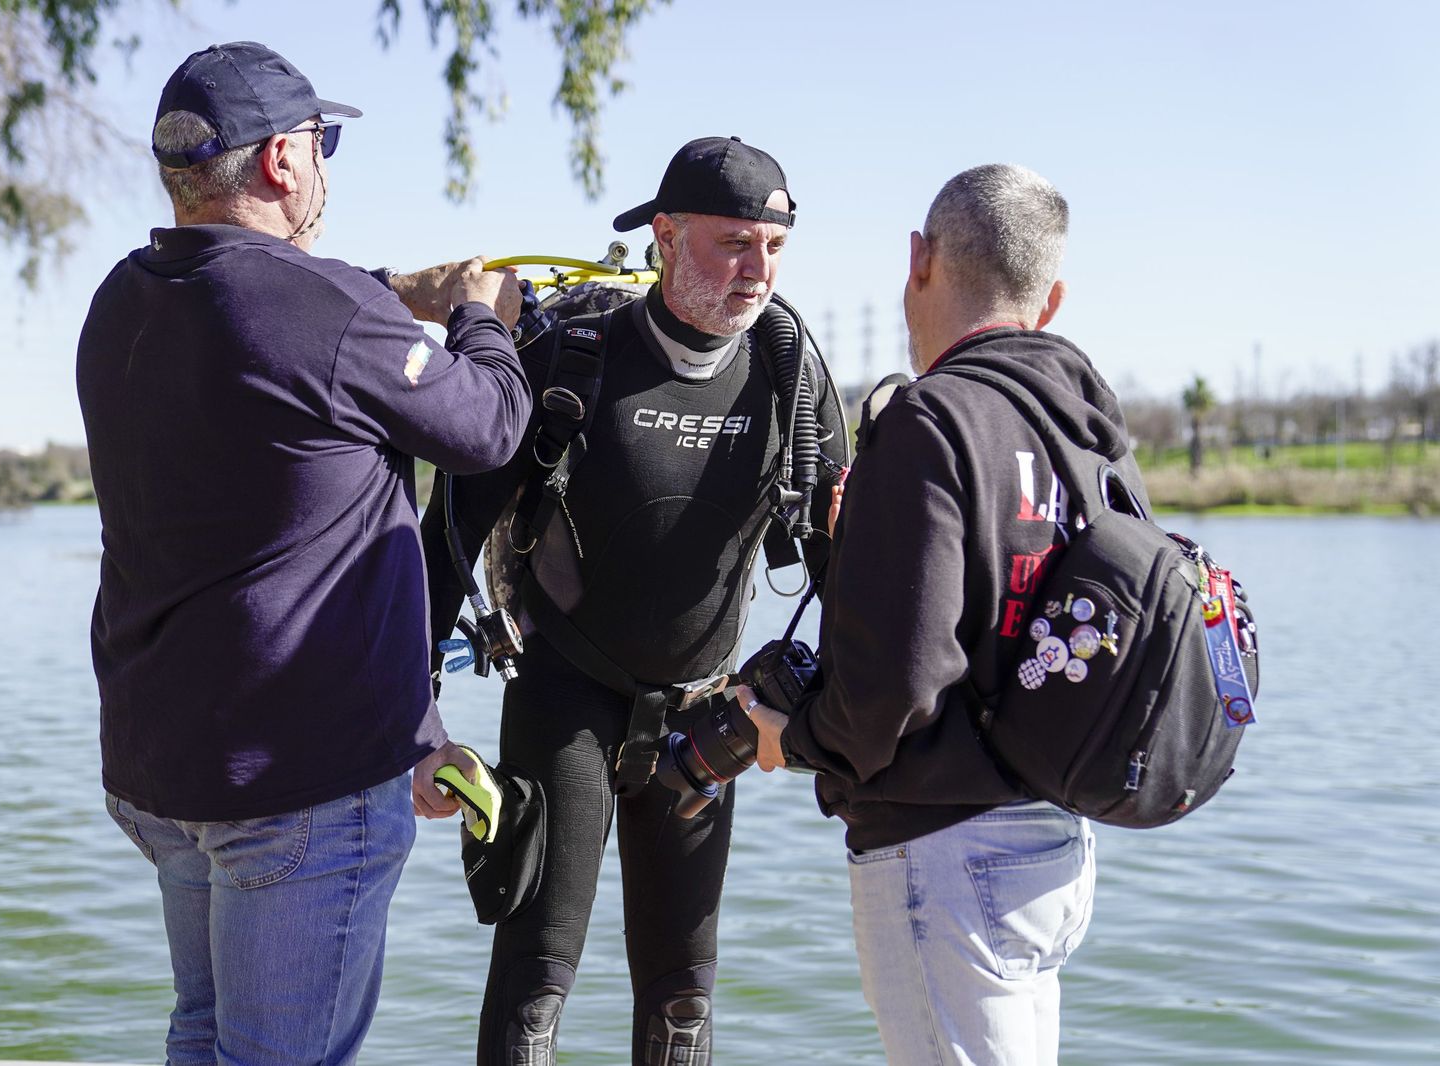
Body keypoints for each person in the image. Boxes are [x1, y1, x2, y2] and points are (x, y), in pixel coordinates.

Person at [75, 41, 528, 1065]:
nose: (324, 164)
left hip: (165, 771)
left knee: (204, 1036)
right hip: (297, 791)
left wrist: (396, 290)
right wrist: (480, 316)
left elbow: (273, 307)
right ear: (283, 159)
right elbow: (490, 425)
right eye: (322, 143)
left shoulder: (122, 301)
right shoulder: (321, 313)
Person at [420, 136, 849, 1065]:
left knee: (682, 998)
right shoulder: (568, 361)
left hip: (706, 715)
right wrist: (410, 719)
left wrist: (838, 717)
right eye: (733, 243)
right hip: (563, 699)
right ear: (664, 235)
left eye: (774, 248)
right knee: (533, 988)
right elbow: (440, 549)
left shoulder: (792, 377)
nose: (757, 270)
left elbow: (841, 564)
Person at [741, 163, 1148, 1066]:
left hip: (945, 855)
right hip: (1056, 844)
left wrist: (790, 738)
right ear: (1050, 299)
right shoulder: (1092, 432)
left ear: (918, 261)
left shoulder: (930, 420)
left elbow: (898, 682)